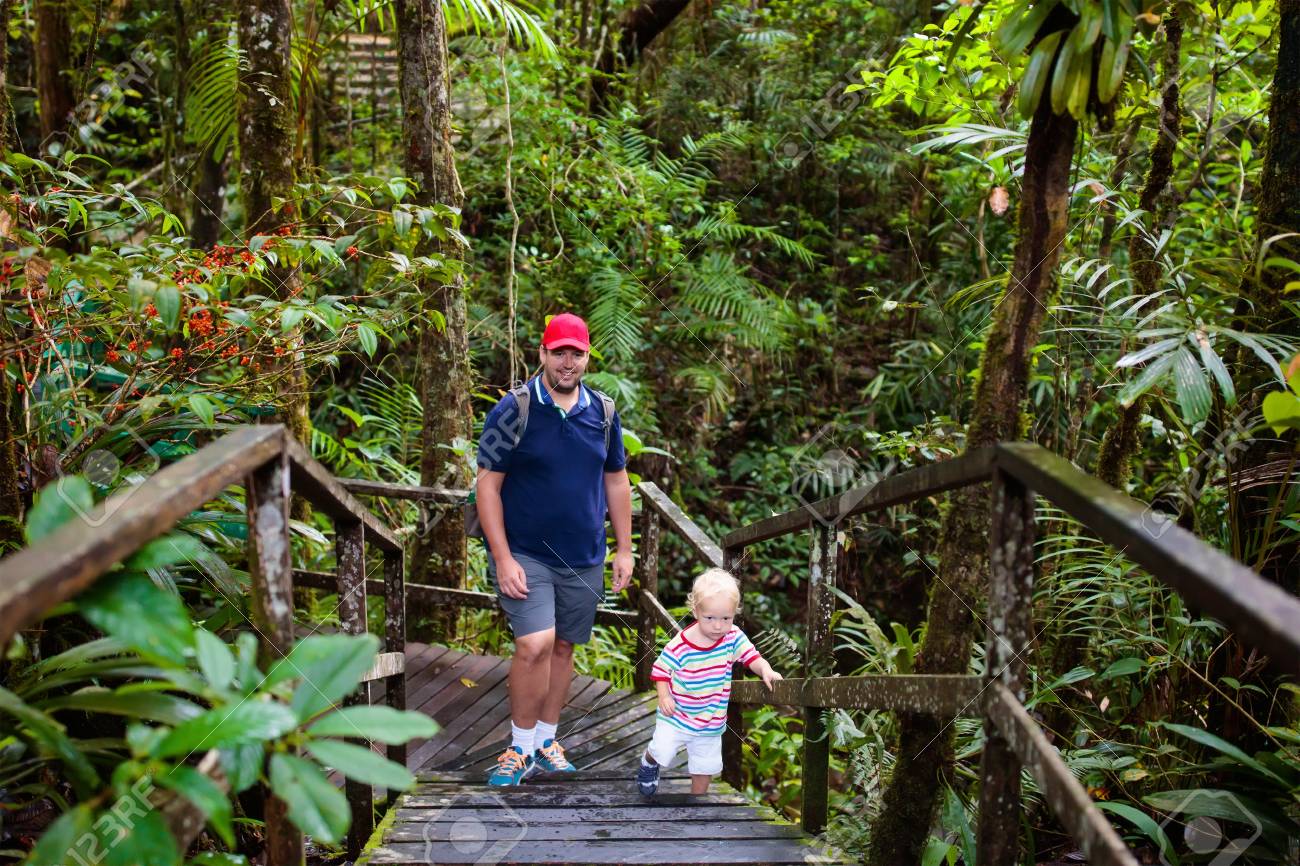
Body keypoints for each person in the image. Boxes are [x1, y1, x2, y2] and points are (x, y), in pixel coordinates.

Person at [474, 312, 634, 786]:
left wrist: (624, 549)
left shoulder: (603, 413)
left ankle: (546, 740)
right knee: (534, 644)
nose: (567, 362)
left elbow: (617, 480)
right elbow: (487, 486)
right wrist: (502, 557)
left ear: (587, 358)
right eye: (558, 351)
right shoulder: (514, 409)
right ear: (542, 353)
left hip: (584, 553)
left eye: (576, 353)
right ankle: (518, 747)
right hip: (525, 551)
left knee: (564, 646)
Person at [636, 568, 781, 796]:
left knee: (704, 766)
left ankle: (697, 804)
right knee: (662, 749)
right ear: (695, 611)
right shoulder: (681, 644)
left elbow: (751, 656)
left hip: (710, 719)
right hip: (677, 715)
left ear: (734, 613)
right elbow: (661, 670)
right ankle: (649, 762)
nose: (718, 626)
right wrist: (664, 696)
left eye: (726, 618)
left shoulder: (732, 636)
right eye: (710, 618)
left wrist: (765, 669)